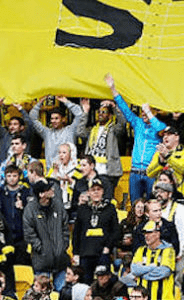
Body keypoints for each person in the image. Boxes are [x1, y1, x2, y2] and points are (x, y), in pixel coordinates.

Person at [106, 73, 169, 201]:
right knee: (135, 205)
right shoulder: (138, 123)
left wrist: (150, 113)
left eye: (147, 111)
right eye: (142, 111)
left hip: (151, 173)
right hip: (134, 172)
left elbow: (162, 130)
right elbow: (125, 110)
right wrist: (113, 89)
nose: (144, 113)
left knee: (153, 203)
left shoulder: (159, 125)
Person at [24, 180, 71, 291]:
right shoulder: (30, 209)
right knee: (43, 295)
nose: (53, 190)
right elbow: (29, 233)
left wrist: (63, 245)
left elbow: (65, 227)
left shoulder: (58, 205)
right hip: (42, 262)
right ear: (41, 194)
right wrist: (41, 249)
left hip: (60, 262)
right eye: (49, 189)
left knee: (62, 295)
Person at [72, 177, 119, 283]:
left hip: (103, 253)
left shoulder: (110, 208)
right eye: (93, 190)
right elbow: (76, 233)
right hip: (85, 253)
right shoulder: (82, 209)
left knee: (104, 283)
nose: (96, 192)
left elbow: (115, 230)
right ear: (88, 192)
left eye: (99, 189)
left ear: (103, 191)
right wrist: (76, 253)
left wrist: (108, 247)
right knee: (85, 283)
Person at [22, 95, 85, 168]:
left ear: (63, 119)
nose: (53, 121)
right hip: (51, 173)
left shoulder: (70, 130)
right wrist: (39, 103)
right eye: (52, 119)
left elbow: (79, 114)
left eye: (56, 118)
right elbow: (33, 118)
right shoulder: (46, 133)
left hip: (68, 172)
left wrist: (66, 101)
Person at [79, 98, 126, 191]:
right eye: (99, 112)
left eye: (104, 112)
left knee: (106, 197)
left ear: (110, 115)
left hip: (108, 171)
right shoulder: (92, 129)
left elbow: (122, 123)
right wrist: (85, 112)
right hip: (92, 169)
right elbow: (80, 132)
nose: (100, 114)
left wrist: (114, 106)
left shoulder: (113, 129)